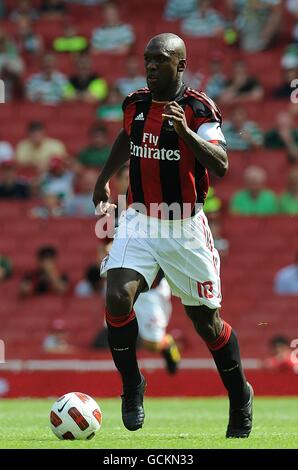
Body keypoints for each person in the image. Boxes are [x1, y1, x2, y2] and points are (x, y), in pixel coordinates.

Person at [92, 33, 253, 438]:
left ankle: (240, 396)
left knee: (206, 323)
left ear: (180, 65)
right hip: (141, 219)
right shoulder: (136, 103)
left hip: (184, 226)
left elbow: (221, 165)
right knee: (116, 295)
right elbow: (126, 137)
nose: (150, 66)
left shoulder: (199, 109)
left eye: (160, 60)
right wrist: (104, 178)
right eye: (147, 59)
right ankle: (133, 386)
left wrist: (186, 133)